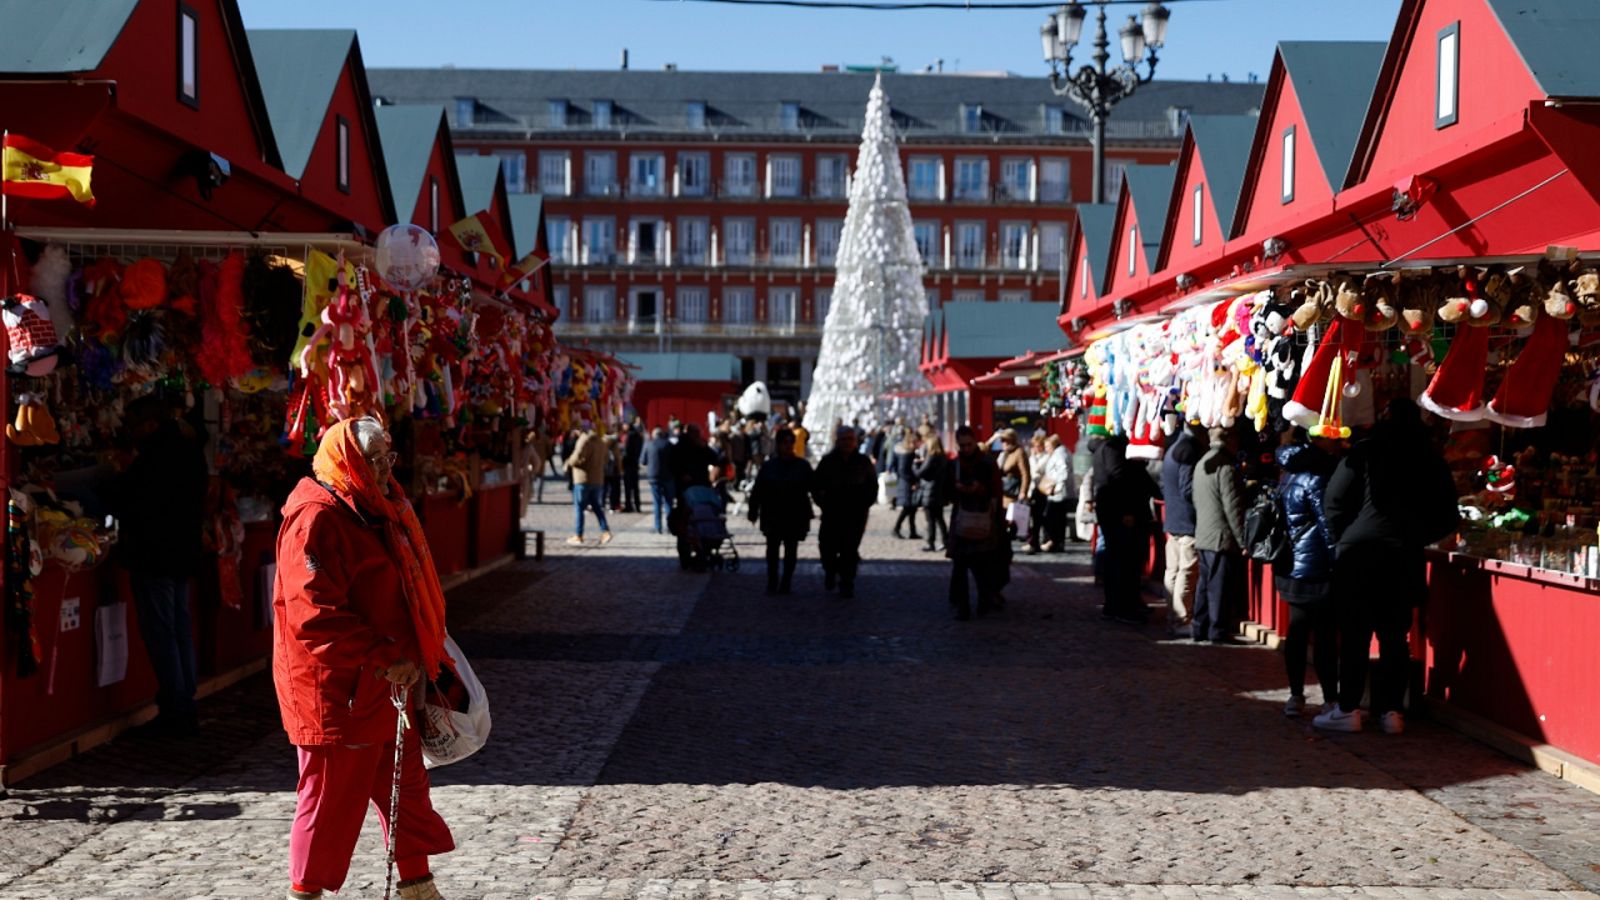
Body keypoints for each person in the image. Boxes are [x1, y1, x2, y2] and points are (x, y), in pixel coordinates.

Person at [272, 417, 454, 900]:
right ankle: (305, 893)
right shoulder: (316, 517)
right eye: (372, 460)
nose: (384, 469)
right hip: (339, 687)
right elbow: (314, 614)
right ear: (347, 462)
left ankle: (417, 885)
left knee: (406, 787)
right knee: (329, 798)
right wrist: (381, 654)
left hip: (386, 680)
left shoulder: (376, 509)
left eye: (387, 457)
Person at [1316, 399, 1459, 735]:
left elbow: (1333, 500)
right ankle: (1392, 711)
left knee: (1355, 635)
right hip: (1403, 556)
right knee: (1395, 635)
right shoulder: (1431, 459)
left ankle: (1349, 708)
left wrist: (1344, 536)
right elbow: (1448, 516)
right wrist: (1416, 537)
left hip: (1360, 554)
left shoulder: (1364, 453)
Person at [112, 395, 208, 736]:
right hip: (180, 552)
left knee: (162, 631)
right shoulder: (189, 450)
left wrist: (120, 476)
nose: (131, 432)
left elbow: (133, 501)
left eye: (134, 425)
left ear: (150, 424)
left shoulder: (153, 457)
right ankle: (185, 701)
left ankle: (176, 707)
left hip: (155, 554)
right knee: (179, 628)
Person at [1274, 428, 1342, 718]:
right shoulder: (1317, 476)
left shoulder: (1288, 473)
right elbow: (1327, 525)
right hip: (1316, 566)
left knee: (1297, 631)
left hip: (1291, 564)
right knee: (1324, 635)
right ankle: (1329, 698)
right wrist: (1338, 559)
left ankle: (1295, 695)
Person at [1093, 435, 1160, 623]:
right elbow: (1118, 478)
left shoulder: (1109, 447)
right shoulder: (1113, 448)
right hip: (1120, 513)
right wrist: (1126, 511)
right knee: (1124, 561)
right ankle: (1122, 607)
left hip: (1116, 511)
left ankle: (1125, 603)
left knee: (1124, 561)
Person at [943, 425, 1007, 620]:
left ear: (974, 442)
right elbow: (946, 493)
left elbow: (996, 492)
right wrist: (958, 489)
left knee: (982, 567)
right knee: (960, 566)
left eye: (969, 445)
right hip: (962, 518)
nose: (966, 449)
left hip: (983, 517)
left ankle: (983, 603)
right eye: (962, 446)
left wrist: (979, 490)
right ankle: (963, 607)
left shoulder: (987, 463)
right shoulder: (954, 464)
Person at [1192, 426, 1248, 642]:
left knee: (1205, 584)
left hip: (1204, 534)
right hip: (1220, 537)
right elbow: (1233, 508)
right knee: (1219, 587)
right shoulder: (1225, 468)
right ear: (1230, 441)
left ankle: (1199, 627)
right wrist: (1242, 540)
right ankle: (1217, 630)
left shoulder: (1202, 463)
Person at [811, 425, 877, 598]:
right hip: (832, 513)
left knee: (850, 550)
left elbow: (872, 486)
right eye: (844, 439)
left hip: (855, 514)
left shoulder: (863, 462)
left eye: (850, 439)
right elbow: (816, 485)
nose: (847, 443)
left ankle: (847, 583)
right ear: (837, 441)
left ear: (855, 441)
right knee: (827, 548)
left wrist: (865, 503)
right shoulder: (828, 461)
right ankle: (830, 570)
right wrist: (823, 503)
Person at [748, 429, 815, 594]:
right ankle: (772, 581)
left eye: (791, 442)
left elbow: (814, 487)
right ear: (778, 445)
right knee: (772, 549)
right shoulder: (769, 466)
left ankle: (786, 581)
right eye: (785, 442)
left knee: (791, 549)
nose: (788, 446)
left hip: (795, 514)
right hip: (773, 513)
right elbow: (758, 490)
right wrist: (753, 510)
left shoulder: (802, 466)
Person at [1160, 423, 1205, 637]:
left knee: (1173, 571)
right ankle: (1180, 619)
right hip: (1187, 521)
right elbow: (1187, 488)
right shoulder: (1188, 450)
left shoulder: (1173, 448)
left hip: (1174, 519)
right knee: (1186, 572)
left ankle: (1173, 616)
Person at [566, 426, 613, 545]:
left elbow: (576, 458)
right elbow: (606, 459)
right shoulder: (601, 441)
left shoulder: (583, 440)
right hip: (597, 479)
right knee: (597, 507)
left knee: (579, 507)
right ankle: (605, 531)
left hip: (583, 478)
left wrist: (569, 462)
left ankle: (579, 535)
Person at [915, 435, 949, 552]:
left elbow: (920, 473)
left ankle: (931, 542)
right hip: (940, 491)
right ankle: (945, 541)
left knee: (931, 519)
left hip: (930, 491)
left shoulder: (932, 457)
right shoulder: (943, 457)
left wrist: (915, 465)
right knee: (939, 518)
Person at [994, 429, 1030, 541]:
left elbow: (1025, 474)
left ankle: (1026, 538)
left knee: (1011, 519)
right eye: (1002, 441)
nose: (1003, 443)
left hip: (1012, 491)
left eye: (1005, 440)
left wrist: (1023, 491)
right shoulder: (1004, 453)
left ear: (1011, 440)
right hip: (1003, 490)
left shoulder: (1019, 452)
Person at [1041, 434, 1073, 551]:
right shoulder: (1058, 453)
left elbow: (1063, 472)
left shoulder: (1060, 454)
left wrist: (1057, 488)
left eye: (1047, 446)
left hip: (1058, 493)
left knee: (1054, 518)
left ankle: (1055, 541)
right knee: (1056, 518)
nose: (1046, 449)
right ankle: (1056, 542)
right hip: (1056, 492)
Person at [640, 427, 674, 534]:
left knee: (657, 502)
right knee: (668, 502)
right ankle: (670, 526)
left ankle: (658, 526)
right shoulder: (668, 444)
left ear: (653, 435)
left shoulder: (648, 444)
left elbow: (643, 461)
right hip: (668, 476)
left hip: (654, 477)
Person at [890, 430, 922, 540]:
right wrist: (912, 482)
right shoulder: (906, 454)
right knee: (907, 508)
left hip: (907, 483)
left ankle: (912, 531)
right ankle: (896, 528)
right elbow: (903, 470)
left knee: (912, 509)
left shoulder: (910, 453)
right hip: (907, 484)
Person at [1024, 433, 1050, 553]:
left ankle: (1041, 540)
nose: (1035, 448)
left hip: (1042, 490)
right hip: (1033, 490)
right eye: (1034, 446)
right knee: (1033, 517)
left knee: (1040, 517)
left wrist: (1033, 458)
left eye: (1038, 446)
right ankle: (1033, 541)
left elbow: (1036, 470)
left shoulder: (1046, 457)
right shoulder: (1032, 458)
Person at [622, 422, 645, 513]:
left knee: (628, 486)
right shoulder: (638, 436)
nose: (623, 426)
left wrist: (623, 460)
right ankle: (637, 505)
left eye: (624, 424)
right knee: (635, 486)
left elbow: (627, 450)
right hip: (635, 464)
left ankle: (628, 505)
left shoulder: (630, 436)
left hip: (628, 464)